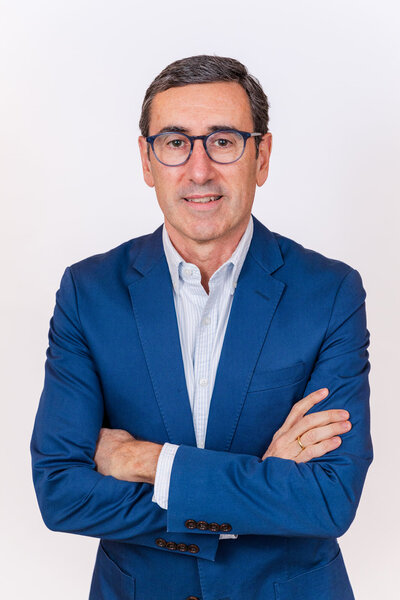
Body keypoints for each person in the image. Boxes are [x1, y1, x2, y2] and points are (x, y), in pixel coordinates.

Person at [30, 55, 373, 600]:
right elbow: (62, 493)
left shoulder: (329, 293)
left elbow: (328, 499)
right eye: (175, 142)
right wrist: (257, 483)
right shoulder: (88, 292)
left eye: (224, 141)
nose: (198, 170)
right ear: (146, 160)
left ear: (261, 156)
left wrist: (146, 460)